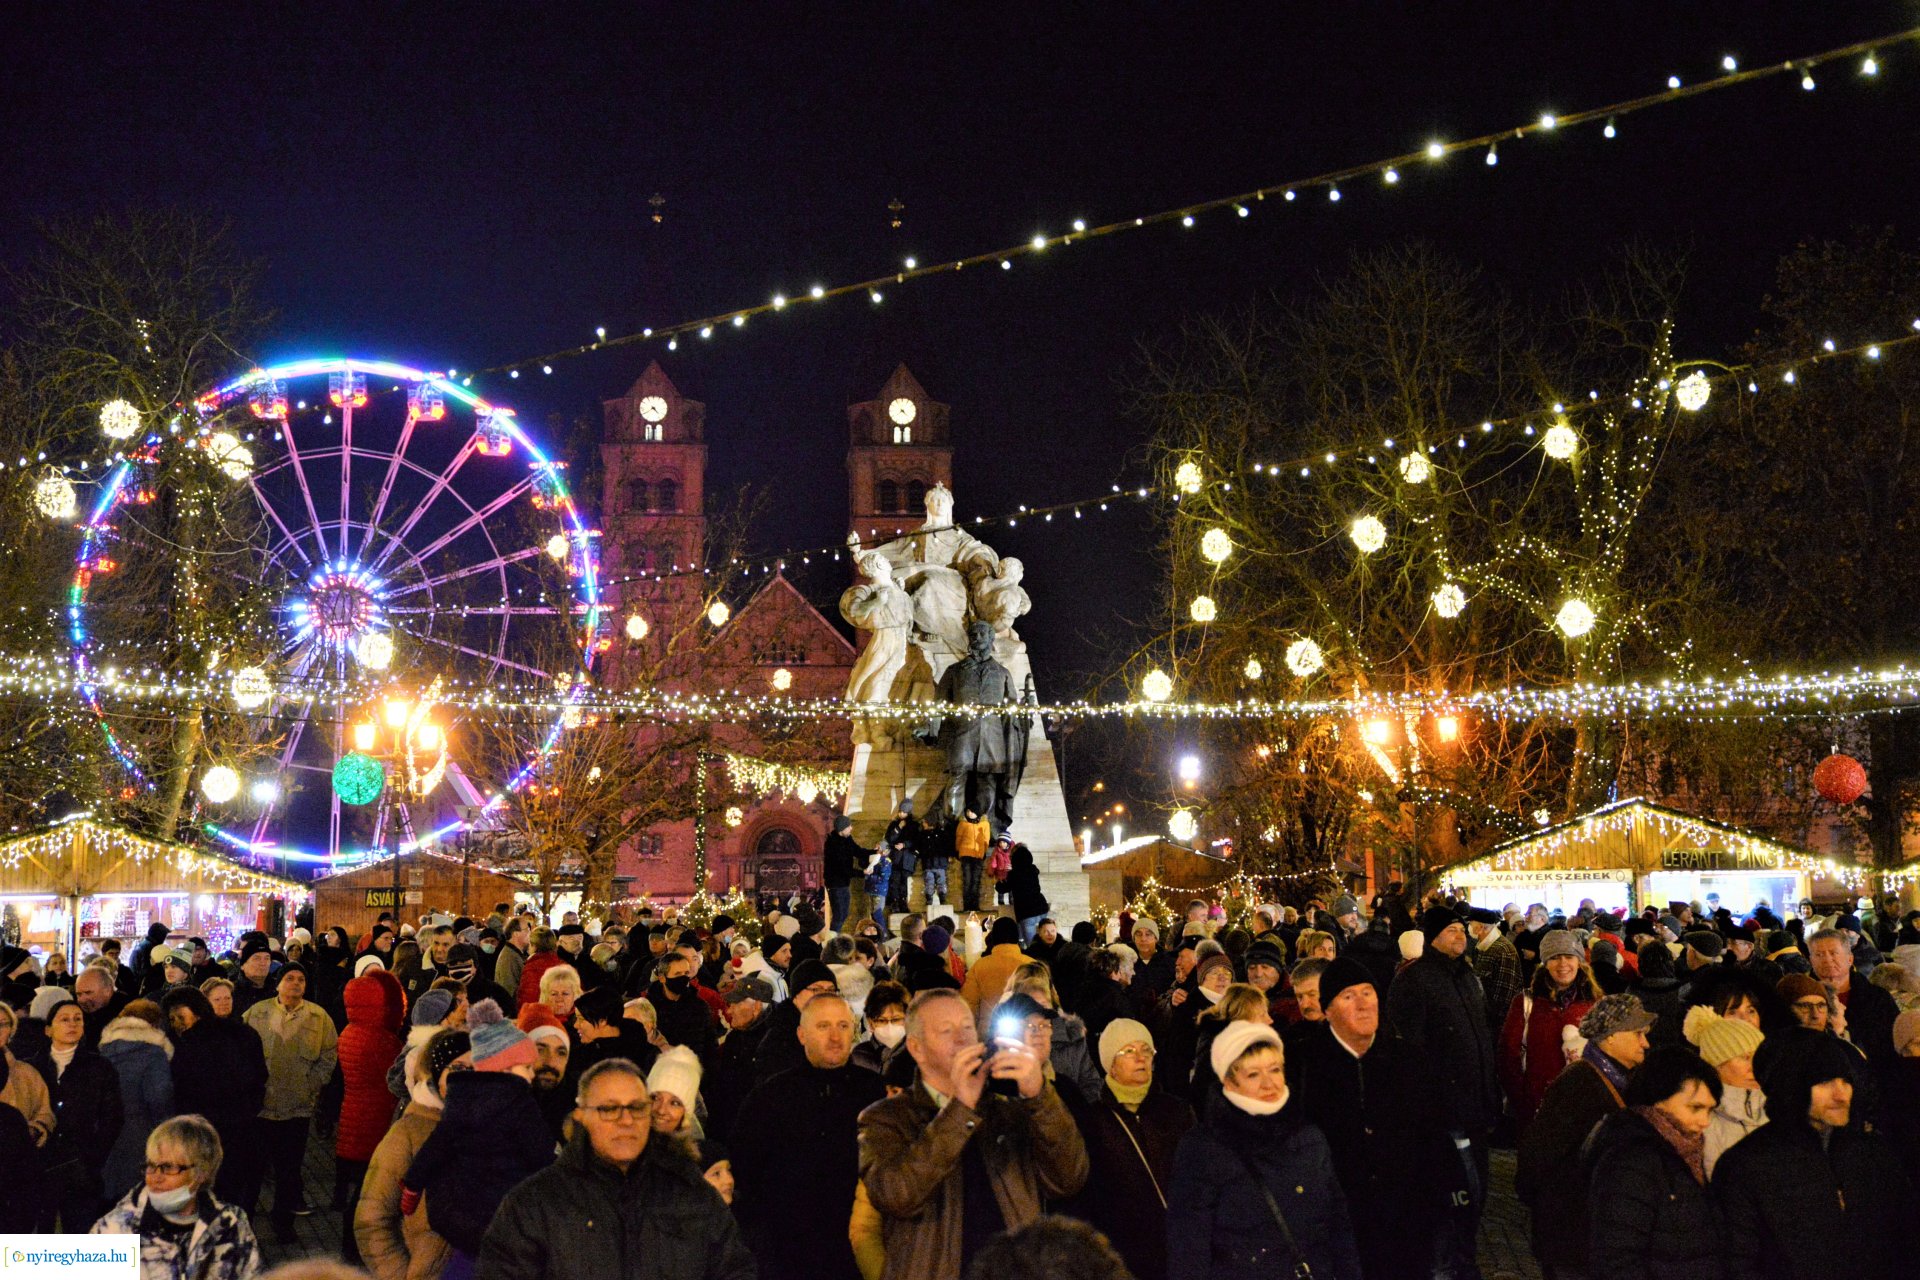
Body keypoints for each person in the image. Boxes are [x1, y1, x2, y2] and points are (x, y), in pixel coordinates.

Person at [857, 988, 1088, 1280]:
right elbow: (898, 1195)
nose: (962, 1038)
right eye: (946, 1030)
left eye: (967, 1027)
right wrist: (960, 1110)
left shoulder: (1005, 1111)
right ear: (916, 1048)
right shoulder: (885, 1119)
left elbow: (1068, 1178)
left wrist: (1040, 1096)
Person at [476, 1058, 756, 1280]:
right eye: (609, 1109)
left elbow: (734, 1269)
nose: (625, 1121)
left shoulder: (692, 1195)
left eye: (636, 1108)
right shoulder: (534, 1204)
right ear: (582, 1117)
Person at [1287, 957, 1443, 1280]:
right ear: (1327, 1010)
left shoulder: (1409, 1061)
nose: (1362, 1004)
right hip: (1336, 1231)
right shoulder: (1303, 1065)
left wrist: (1436, 1209)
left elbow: (1434, 1139)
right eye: (1348, 996)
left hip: (1405, 1228)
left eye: (1368, 993)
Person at [1714, 1027, 1914, 1279]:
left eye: (1846, 1081)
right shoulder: (1746, 1167)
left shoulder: (1873, 1156)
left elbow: (1907, 1243)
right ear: (1792, 1086)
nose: (1841, 1094)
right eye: (1825, 1082)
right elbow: (1738, 1264)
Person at [1165, 1021, 1360, 1280]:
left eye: (1275, 1069)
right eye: (1253, 1074)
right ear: (1228, 1081)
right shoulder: (1203, 1149)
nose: (1269, 1084)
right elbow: (1188, 1249)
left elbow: (1338, 1225)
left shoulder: (1309, 1136)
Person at [729, 992, 885, 1280]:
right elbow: (746, 1173)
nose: (835, 1036)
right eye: (823, 1026)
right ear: (802, 1034)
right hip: (789, 1252)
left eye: (843, 1025)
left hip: (860, 1247)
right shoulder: (769, 1098)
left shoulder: (876, 1093)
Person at [1382, 907, 1497, 1276]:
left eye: (1462, 930)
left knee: (1476, 1193)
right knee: (1449, 1200)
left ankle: (1464, 1258)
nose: (1460, 936)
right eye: (1451, 930)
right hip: (1443, 1116)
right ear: (1433, 936)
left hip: (1476, 1108)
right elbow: (1406, 1052)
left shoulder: (1467, 976)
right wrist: (1429, 1106)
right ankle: (1447, 1266)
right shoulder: (1414, 980)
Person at [403, 1000, 555, 1275]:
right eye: (527, 1067)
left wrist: (412, 1186)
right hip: (503, 1211)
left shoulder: (460, 1100)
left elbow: (435, 1147)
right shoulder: (521, 1103)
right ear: (506, 1068)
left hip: (463, 1212)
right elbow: (541, 1154)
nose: (532, 1074)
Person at [1056, 1018, 1191, 1280]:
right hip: (1126, 1254)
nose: (1140, 1058)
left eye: (1146, 1050)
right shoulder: (1093, 1122)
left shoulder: (1177, 1112)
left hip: (1181, 1246)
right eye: (1128, 1051)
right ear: (1111, 1064)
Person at [1581, 1047, 1726, 1276]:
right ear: (1658, 1099)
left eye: (1710, 1110)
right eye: (1695, 1108)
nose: (1704, 1121)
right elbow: (1617, 1257)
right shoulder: (1633, 1160)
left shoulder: (1684, 1151)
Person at [90, 1114, 263, 1280]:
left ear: (201, 1173)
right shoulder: (115, 1230)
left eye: (168, 1167)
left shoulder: (230, 1224)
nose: (155, 1177)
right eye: (151, 1166)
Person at [357, 1029, 467, 1280]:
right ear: (435, 1073)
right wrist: (403, 1275)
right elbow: (371, 1221)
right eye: (457, 1069)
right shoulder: (409, 1132)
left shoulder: (492, 1126)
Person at [243, 965, 336, 1234]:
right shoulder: (257, 1013)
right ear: (278, 984)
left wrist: (312, 1084)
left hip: (297, 1108)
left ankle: (283, 1223)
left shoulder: (319, 1018)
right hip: (261, 1108)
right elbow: (242, 1051)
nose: (295, 984)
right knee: (254, 1172)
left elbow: (328, 1055)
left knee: (289, 1169)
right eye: (289, 979)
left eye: (301, 979)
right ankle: (245, 1225)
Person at [163, 987, 267, 1213]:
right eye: (172, 1019)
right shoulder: (242, 1033)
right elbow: (261, 1078)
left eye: (180, 1017)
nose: (176, 1023)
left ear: (197, 1011)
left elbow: (181, 1091)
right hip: (237, 1128)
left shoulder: (187, 1045)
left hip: (211, 1134)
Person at [28, 998, 126, 1230]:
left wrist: (93, 1156)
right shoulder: (33, 1067)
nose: (72, 1024)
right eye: (64, 1020)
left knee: (80, 1231)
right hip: (41, 1165)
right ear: (48, 1029)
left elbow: (112, 1117)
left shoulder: (99, 1067)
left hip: (81, 1167)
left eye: (77, 1019)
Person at [336, 970, 406, 1263]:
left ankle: (350, 1250)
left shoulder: (350, 1030)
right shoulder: (382, 1040)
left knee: (360, 1194)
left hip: (353, 1122)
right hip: (375, 1124)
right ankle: (355, 1254)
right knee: (369, 1197)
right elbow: (395, 1081)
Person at [1500, 928, 1601, 1126]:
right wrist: (1523, 1100)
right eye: (1555, 957)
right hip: (1537, 1105)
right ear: (1545, 963)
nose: (1563, 964)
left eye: (1569, 956)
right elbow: (1507, 1055)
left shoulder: (1595, 1003)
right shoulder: (1526, 1003)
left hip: (1584, 1107)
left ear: (1579, 961)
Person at [98, 1001, 175, 1202]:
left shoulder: (105, 1049)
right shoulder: (154, 1053)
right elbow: (159, 1096)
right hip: (141, 1132)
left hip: (109, 1131)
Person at [1681, 1005, 1766, 1175]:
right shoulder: (1704, 1123)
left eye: (1758, 1056)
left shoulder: (1779, 1106)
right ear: (1716, 1065)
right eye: (1745, 1058)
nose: (1755, 1066)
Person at [1809, 926, 1899, 1066]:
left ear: (1850, 959)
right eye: (1819, 955)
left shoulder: (1877, 998)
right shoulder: (1801, 999)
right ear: (1811, 961)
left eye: (1833, 953)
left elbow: (1892, 1047)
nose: (1827, 959)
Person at [0, 1000, 54, 1146]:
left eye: (4, 1024)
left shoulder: (27, 1073)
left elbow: (44, 1112)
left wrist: (34, 1130)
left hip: (20, 1158)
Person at [959, 918, 1027, 1031]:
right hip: (1026, 1031)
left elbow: (969, 1004)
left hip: (989, 1031)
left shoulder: (979, 966)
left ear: (993, 937)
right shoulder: (1031, 965)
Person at [1466, 907, 1521, 1033]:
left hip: (1497, 1025)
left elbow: (1505, 996)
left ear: (1480, 927)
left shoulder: (1502, 950)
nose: (1469, 928)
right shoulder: (1484, 947)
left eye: (1470, 924)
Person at [646, 1045, 704, 1153]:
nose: (661, 1110)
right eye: (655, 1097)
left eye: (675, 1103)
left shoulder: (693, 1164)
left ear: (686, 1113)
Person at [825, 815, 869, 932]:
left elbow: (858, 851)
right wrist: (862, 873)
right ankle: (833, 943)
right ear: (841, 829)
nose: (851, 828)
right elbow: (842, 869)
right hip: (835, 885)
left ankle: (834, 938)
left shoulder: (847, 839)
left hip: (844, 884)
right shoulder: (833, 845)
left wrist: (875, 852)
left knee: (844, 914)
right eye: (848, 826)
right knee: (839, 916)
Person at [75, 964, 132, 1051]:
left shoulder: (129, 1016)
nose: (82, 999)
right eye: (79, 994)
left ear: (107, 991)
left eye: (88, 993)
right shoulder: (76, 1015)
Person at [1004, 845, 1050, 945]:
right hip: (1042, 908)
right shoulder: (1033, 869)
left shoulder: (1014, 874)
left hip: (1027, 912)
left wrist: (1000, 881)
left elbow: (1003, 888)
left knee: (1031, 946)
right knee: (1045, 942)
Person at [954, 808, 991, 914]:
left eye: (972, 811)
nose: (969, 813)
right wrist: (958, 850)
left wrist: (983, 851)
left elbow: (986, 839)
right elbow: (959, 838)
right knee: (967, 880)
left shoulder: (984, 824)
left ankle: (975, 905)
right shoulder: (963, 823)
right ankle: (967, 906)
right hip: (965, 854)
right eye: (968, 811)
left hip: (978, 854)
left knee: (976, 880)